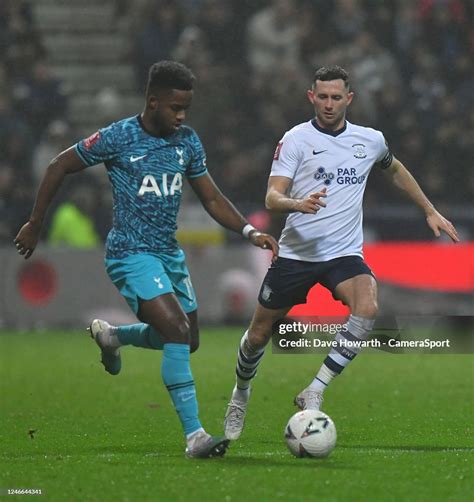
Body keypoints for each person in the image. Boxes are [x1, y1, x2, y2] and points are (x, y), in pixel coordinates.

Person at [14, 60, 279, 458]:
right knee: (174, 328)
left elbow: (210, 196)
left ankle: (113, 336)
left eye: (186, 107)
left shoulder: (187, 141)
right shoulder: (118, 137)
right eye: (175, 107)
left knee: (187, 339)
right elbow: (59, 165)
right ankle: (195, 437)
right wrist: (35, 222)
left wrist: (248, 230)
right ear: (153, 102)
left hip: (168, 254)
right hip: (130, 253)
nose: (182, 115)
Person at [223, 65, 459, 440]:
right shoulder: (296, 140)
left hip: (343, 254)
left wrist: (428, 209)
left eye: (336, 97)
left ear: (349, 99)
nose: (329, 104)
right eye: (322, 97)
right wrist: (296, 203)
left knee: (367, 307)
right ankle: (240, 393)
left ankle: (315, 388)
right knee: (257, 334)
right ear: (310, 97)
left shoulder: (369, 140)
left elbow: (394, 169)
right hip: (298, 254)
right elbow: (272, 195)